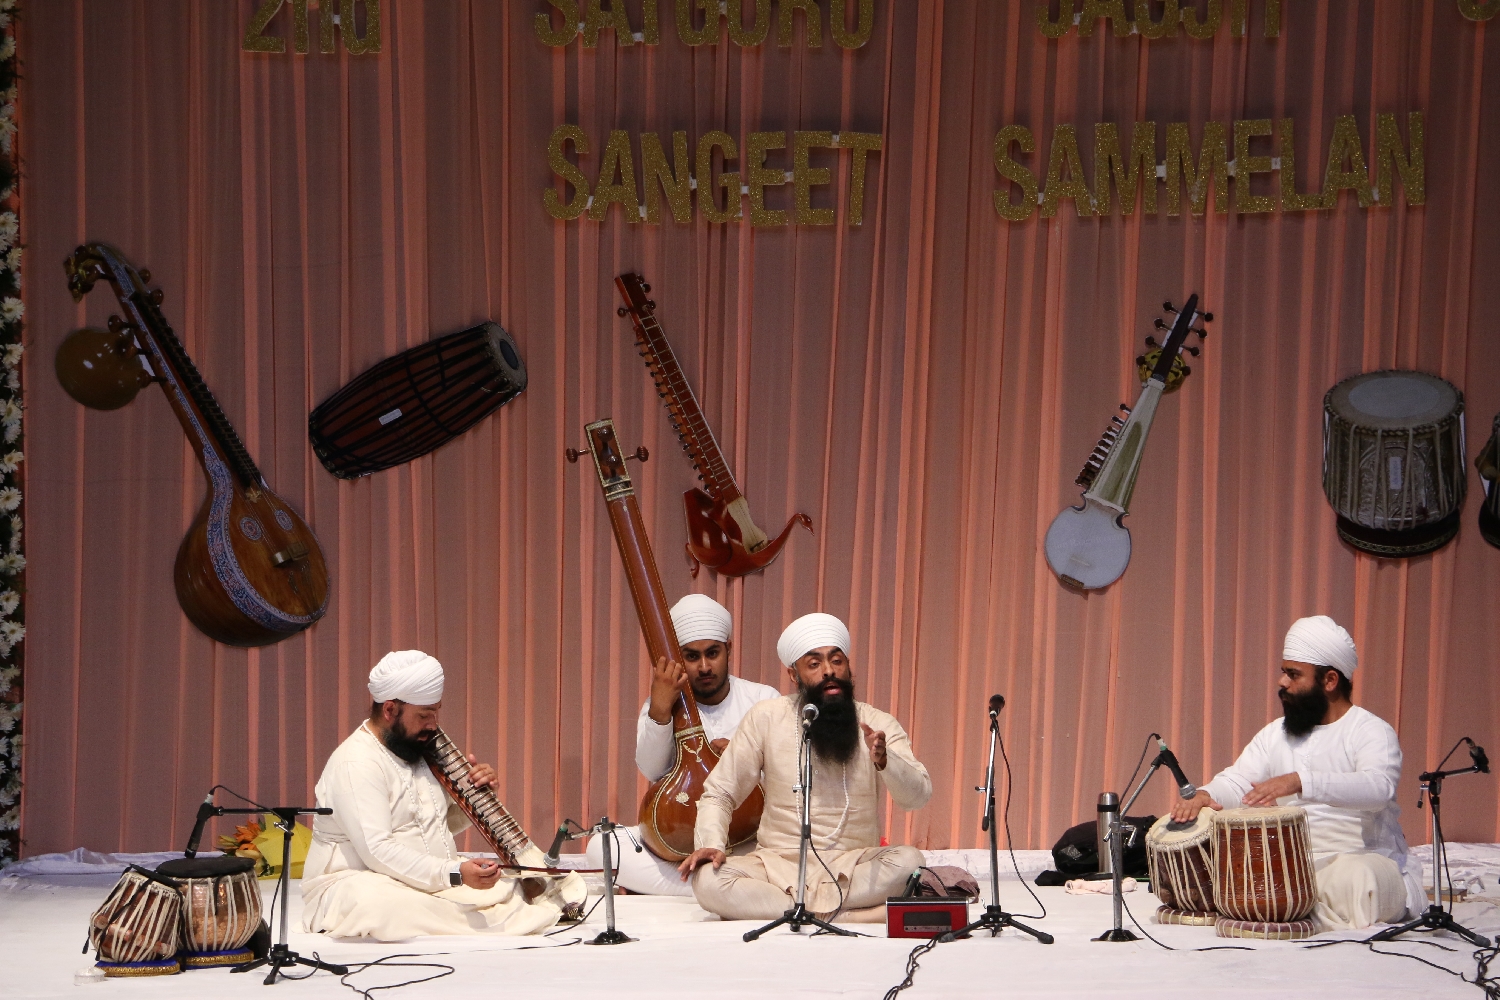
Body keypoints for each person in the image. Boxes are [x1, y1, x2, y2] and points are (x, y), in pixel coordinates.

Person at [301, 650, 579, 939]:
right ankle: (497, 918)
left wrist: (480, 793)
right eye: (424, 715)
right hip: (356, 882)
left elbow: (437, 824)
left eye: (436, 712)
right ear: (390, 710)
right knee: (380, 905)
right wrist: (455, 872)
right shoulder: (356, 763)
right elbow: (377, 851)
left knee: (503, 883)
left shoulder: (418, 749)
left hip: (426, 881)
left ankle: (480, 914)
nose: (433, 724)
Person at [1170, 616, 1424, 930]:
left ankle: (1295, 912)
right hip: (1291, 865)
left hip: (1363, 856)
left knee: (1359, 879)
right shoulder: (1274, 734)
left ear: (1329, 681)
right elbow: (1239, 781)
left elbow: (1378, 788)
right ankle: (1294, 908)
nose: (1282, 682)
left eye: (1293, 674)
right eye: (1284, 672)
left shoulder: (1370, 731)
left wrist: (1300, 781)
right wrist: (1206, 795)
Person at [680, 612, 932, 921]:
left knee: (910, 862)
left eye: (837, 661)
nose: (829, 671)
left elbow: (917, 796)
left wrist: (885, 761)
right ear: (793, 674)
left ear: (848, 666)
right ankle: (845, 917)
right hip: (777, 864)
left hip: (853, 864)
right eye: (814, 664)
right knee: (708, 879)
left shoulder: (876, 722)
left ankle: (797, 913)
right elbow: (720, 793)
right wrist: (711, 844)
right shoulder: (767, 717)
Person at [583, 594, 780, 894]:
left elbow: (786, 776)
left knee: (789, 848)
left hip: (744, 837)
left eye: (712, 653)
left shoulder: (763, 699)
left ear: (728, 649)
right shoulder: (663, 703)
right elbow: (652, 770)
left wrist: (744, 759)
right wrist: (661, 711)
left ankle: (694, 887)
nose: (704, 666)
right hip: (678, 839)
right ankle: (714, 888)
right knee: (602, 847)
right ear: (679, 659)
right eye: (692, 656)